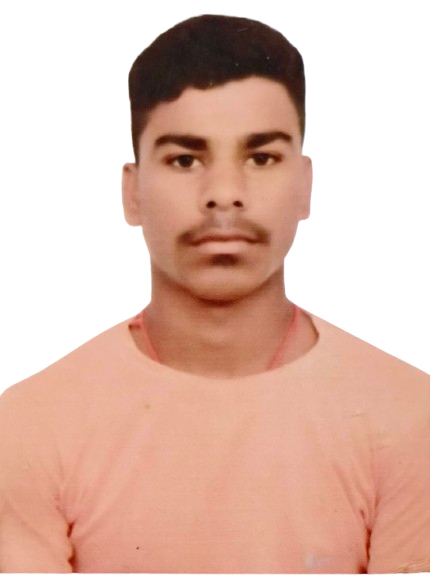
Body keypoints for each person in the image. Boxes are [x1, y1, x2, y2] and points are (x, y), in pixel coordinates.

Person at [0, 14, 428, 574]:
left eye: (261, 157)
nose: (224, 194)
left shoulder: (410, 418)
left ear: (305, 186)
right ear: (132, 193)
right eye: (185, 159)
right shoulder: (27, 426)